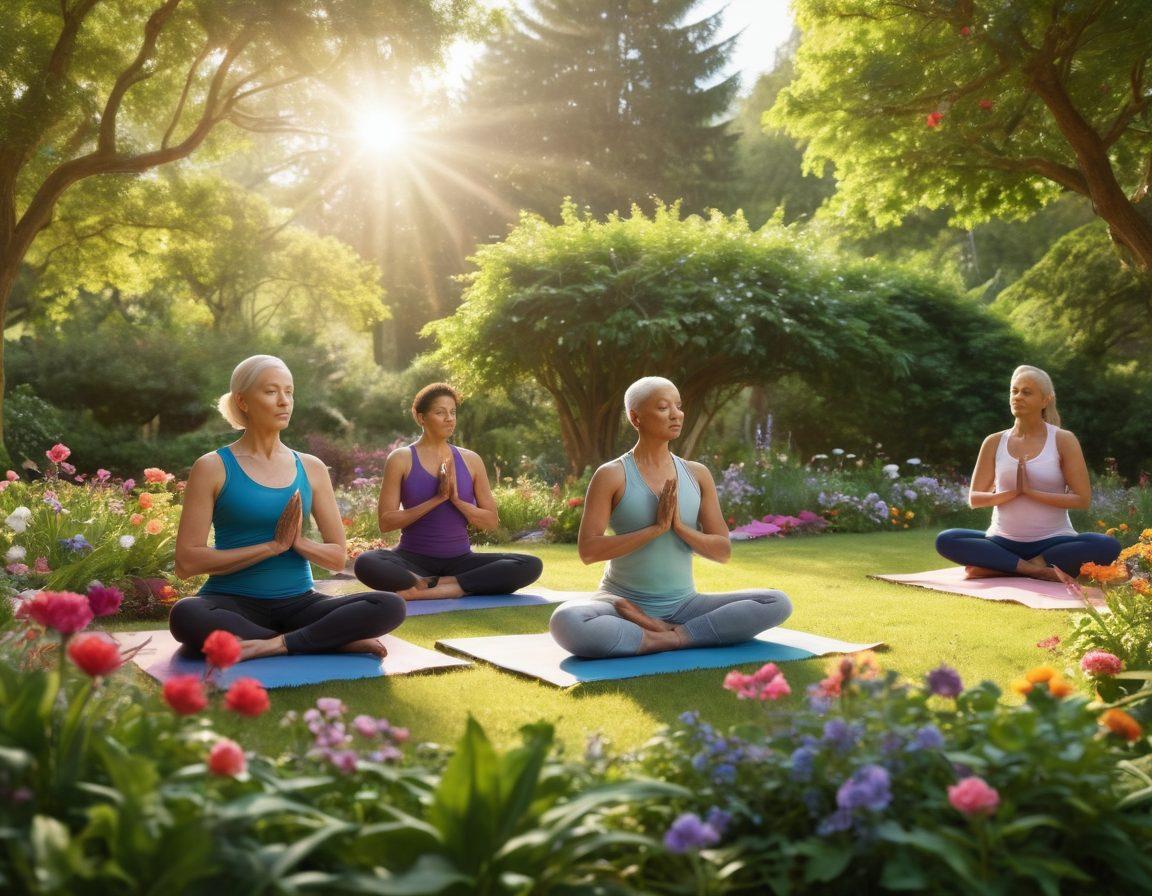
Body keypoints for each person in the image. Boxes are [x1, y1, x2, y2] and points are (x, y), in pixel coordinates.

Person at [170, 355, 406, 660]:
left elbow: (336, 557)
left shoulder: (311, 467)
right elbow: (187, 563)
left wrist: (298, 543)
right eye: (271, 392)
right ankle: (328, 640)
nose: (284, 401)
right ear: (242, 401)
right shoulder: (213, 467)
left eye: (289, 392)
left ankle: (274, 645)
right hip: (231, 603)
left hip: (300, 604)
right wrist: (272, 546)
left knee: (389, 605)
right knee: (186, 614)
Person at [548, 376, 792, 658]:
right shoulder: (612, 474)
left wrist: (678, 527)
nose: (676, 414)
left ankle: (669, 636)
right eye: (664, 407)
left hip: (684, 606)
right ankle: (677, 632)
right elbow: (588, 551)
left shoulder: (697, 474)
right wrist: (656, 528)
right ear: (635, 418)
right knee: (566, 621)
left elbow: (722, 551)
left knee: (776, 602)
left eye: (678, 406)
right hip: (618, 603)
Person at [353, 383, 543, 599]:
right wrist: (438, 498)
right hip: (412, 560)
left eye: (453, 412)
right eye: (440, 412)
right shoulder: (401, 459)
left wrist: (457, 501)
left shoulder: (471, 460)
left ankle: (425, 590)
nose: (449, 419)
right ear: (420, 417)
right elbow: (386, 522)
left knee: (529, 565)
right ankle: (450, 586)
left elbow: (490, 521)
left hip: (461, 561)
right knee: (366, 562)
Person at [936, 364, 1121, 581]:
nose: (1018, 397)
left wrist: (1031, 492)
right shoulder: (994, 442)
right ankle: (1033, 569)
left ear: (1045, 400)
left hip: (1053, 542)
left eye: (1027, 392)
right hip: (1001, 541)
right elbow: (975, 499)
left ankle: (1001, 566)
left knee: (1107, 545)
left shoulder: (1063, 440)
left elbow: (1082, 499)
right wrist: (1013, 493)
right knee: (947, 539)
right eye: (1014, 391)